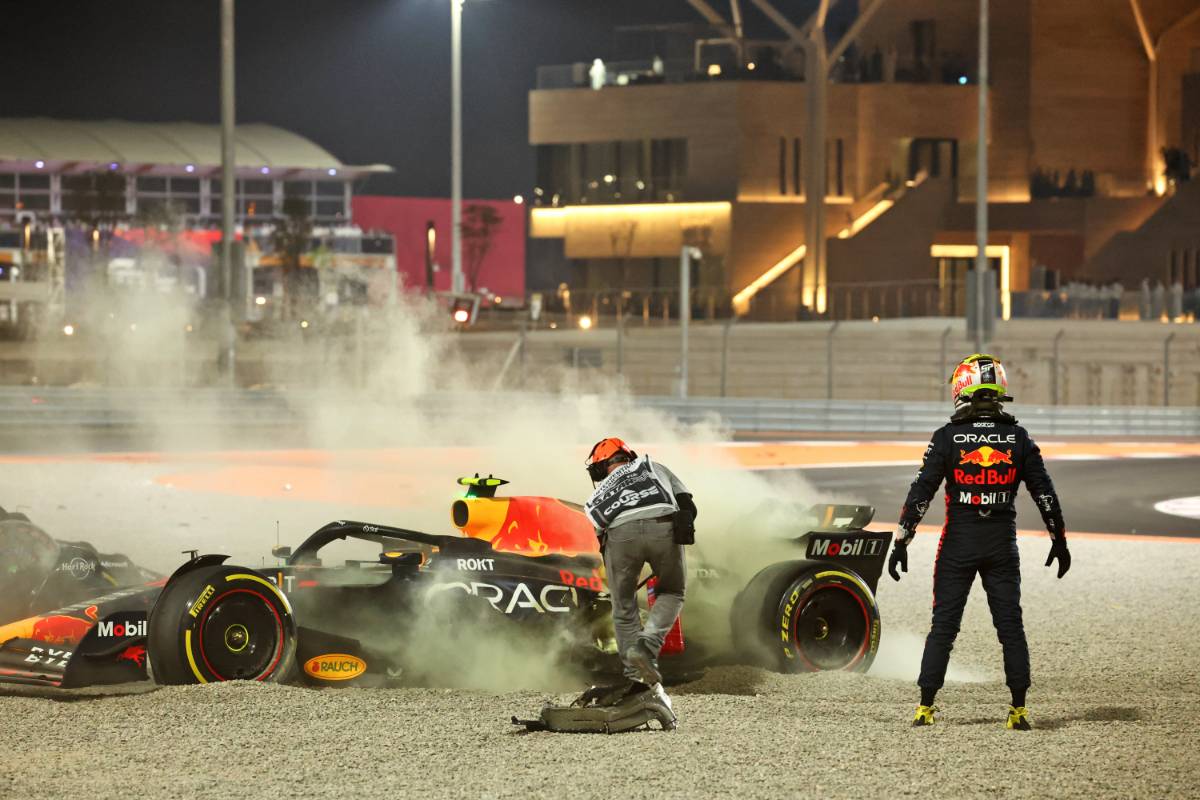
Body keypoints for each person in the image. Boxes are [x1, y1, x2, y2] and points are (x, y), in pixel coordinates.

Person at [887, 354, 1069, 731]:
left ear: (962, 387)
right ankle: (1018, 711)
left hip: (958, 545)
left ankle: (925, 708)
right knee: (1011, 628)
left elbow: (921, 492)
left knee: (943, 628)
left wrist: (901, 540)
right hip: (1002, 545)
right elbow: (1045, 494)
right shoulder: (1018, 438)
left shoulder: (947, 437)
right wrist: (1059, 538)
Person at [582, 437, 696, 712]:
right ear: (628, 456)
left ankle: (637, 680)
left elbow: (601, 537)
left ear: (599, 469)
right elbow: (687, 504)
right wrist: (685, 521)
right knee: (672, 591)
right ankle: (647, 646)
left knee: (623, 607)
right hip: (663, 525)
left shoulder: (600, 492)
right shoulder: (653, 467)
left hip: (619, 535)